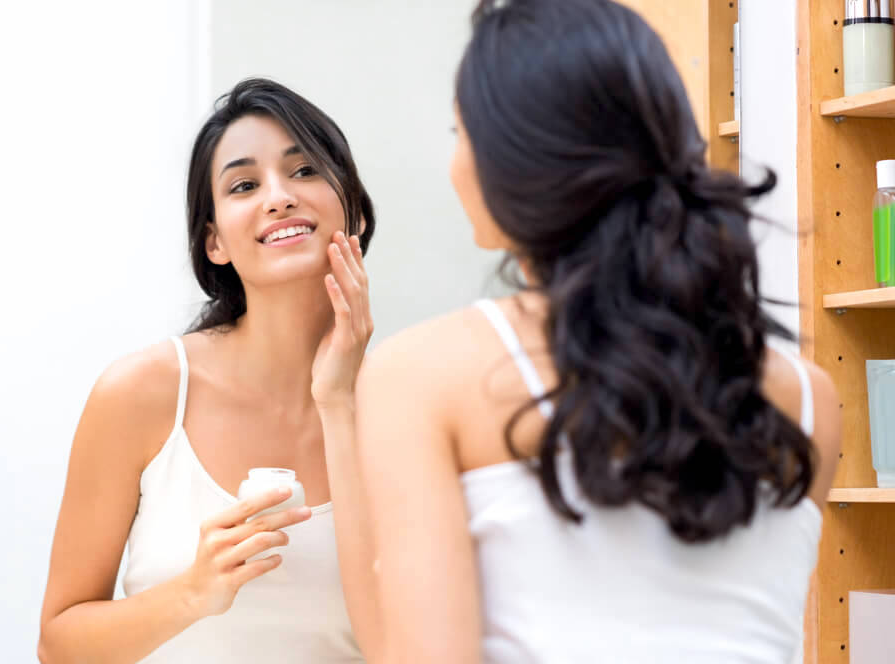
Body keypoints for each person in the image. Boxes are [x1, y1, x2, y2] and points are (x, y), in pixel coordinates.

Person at [345, 1, 842, 662]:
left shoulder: (422, 376)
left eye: (460, 133)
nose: (454, 163)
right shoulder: (809, 401)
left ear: (518, 160)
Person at [38, 78, 376, 663]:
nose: (279, 197)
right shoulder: (142, 393)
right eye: (245, 185)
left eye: (304, 172)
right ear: (214, 241)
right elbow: (58, 645)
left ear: (355, 213)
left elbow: (412, 641)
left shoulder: (406, 404)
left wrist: (339, 403)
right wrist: (192, 593)